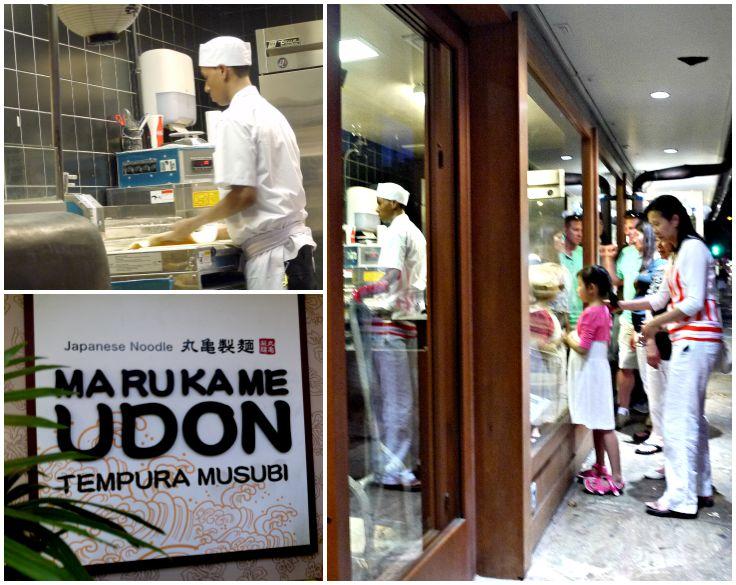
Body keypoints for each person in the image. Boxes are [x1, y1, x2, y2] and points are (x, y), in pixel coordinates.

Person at [144, 36, 316, 290]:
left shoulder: (235, 117)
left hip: (276, 262)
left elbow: (243, 195)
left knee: (279, 330)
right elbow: (269, 198)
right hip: (295, 253)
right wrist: (220, 230)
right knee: (303, 329)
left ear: (223, 70)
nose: (205, 88)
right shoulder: (271, 113)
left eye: (206, 77)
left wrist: (189, 225)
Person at [619, 194, 723, 518]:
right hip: (693, 341)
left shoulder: (691, 248)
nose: (656, 232)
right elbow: (661, 296)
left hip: (696, 340)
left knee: (678, 421)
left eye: (657, 224)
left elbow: (691, 303)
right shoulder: (680, 252)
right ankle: (699, 488)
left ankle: (681, 498)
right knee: (691, 418)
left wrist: (652, 326)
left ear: (675, 218)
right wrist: (622, 305)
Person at [353, 182, 427, 491]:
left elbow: (389, 279)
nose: (376, 208)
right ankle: (401, 464)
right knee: (401, 400)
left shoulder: (397, 231)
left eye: (380, 202)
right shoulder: (412, 231)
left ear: (395, 204)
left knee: (392, 402)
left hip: (389, 327)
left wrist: (362, 293)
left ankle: (392, 469)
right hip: (403, 323)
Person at [564, 265, 624, 496]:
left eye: (580, 285)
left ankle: (616, 477)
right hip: (596, 370)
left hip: (591, 371)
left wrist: (566, 337)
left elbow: (582, 346)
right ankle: (600, 466)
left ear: (592, 288)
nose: (578, 289)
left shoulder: (591, 312)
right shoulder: (604, 310)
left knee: (605, 425)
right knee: (599, 423)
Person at [600, 210, 643, 427]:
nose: (630, 232)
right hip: (627, 318)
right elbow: (616, 281)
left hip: (648, 320)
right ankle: (623, 410)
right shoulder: (626, 253)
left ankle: (655, 418)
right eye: (626, 228)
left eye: (633, 227)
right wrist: (607, 257)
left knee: (652, 369)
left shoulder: (655, 253)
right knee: (625, 366)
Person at [630, 226, 668, 456]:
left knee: (656, 388)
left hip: (655, 333)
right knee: (650, 386)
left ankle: (659, 435)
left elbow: (656, 303)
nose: (632, 236)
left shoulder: (661, 262)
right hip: (645, 331)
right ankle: (657, 430)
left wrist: (649, 335)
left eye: (637, 232)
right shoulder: (650, 261)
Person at [558, 213, 584, 329]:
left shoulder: (586, 253)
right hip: (560, 315)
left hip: (581, 316)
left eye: (582, 230)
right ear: (566, 230)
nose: (580, 234)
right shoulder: (556, 252)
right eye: (576, 230)